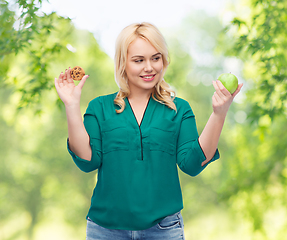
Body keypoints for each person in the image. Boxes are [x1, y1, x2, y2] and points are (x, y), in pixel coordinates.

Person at [54, 22, 242, 240]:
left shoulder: (179, 109)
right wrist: (71, 105)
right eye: (138, 60)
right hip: (105, 230)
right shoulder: (100, 107)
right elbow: (87, 161)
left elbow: (192, 164)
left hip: (163, 229)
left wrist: (219, 114)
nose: (149, 67)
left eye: (155, 58)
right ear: (123, 64)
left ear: (164, 60)